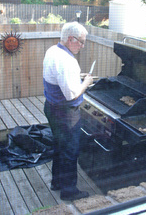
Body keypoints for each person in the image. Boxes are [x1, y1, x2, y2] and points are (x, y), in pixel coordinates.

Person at [43, 22, 93, 201]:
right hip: (65, 113)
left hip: (51, 108)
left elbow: (58, 77)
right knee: (70, 151)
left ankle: (57, 182)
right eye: (81, 41)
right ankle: (69, 191)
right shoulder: (67, 61)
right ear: (71, 39)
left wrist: (77, 77)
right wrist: (86, 83)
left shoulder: (52, 51)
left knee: (59, 146)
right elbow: (71, 94)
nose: (82, 45)